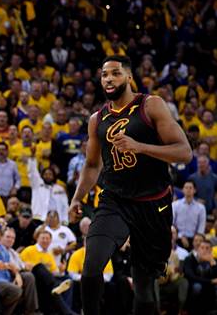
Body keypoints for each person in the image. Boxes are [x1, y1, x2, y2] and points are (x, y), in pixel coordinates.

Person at [69, 55, 192, 315]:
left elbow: (184, 152)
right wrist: (77, 198)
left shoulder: (151, 105)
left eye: (115, 73)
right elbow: (92, 166)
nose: (109, 79)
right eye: (104, 74)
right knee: (91, 268)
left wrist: (141, 147)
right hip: (115, 200)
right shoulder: (97, 119)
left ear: (128, 77)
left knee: (144, 288)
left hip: (153, 204)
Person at [172, 180, 206, 250]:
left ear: (194, 190)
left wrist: (195, 240)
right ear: (182, 190)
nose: (188, 190)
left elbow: (201, 229)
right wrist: (180, 236)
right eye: (186, 188)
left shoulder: (201, 208)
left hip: (194, 240)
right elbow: (172, 224)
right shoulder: (175, 205)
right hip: (178, 238)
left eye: (190, 188)